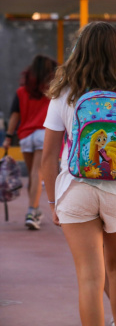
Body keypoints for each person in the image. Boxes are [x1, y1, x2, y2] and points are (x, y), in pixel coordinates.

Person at [42, 22, 116, 326]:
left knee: (90, 277)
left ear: (79, 52)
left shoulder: (64, 94)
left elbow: (48, 156)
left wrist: (54, 203)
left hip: (75, 188)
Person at [3, 54, 58, 230]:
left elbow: (14, 115)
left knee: (33, 175)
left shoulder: (21, 91)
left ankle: (33, 210)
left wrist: (8, 137)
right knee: (37, 174)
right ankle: (32, 211)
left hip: (26, 136)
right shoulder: (53, 91)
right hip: (44, 133)